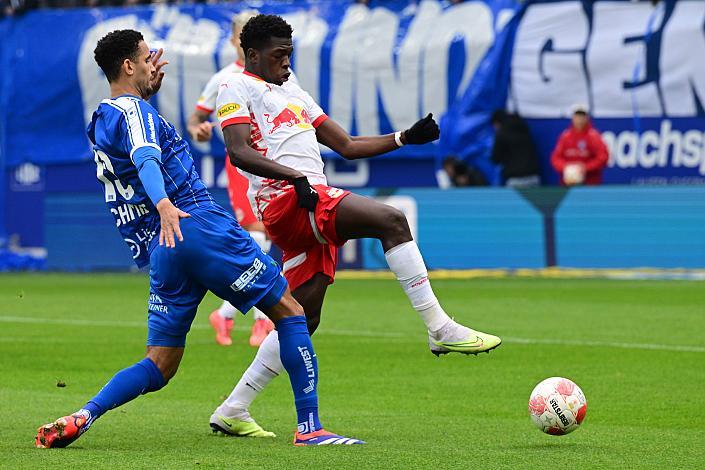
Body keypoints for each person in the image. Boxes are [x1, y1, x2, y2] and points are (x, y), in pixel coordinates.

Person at [35, 29, 363, 448]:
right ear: (128, 66)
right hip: (194, 222)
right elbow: (146, 157)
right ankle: (310, 429)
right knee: (291, 311)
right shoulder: (132, 113)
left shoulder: (102, 118)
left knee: (161, 364)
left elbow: (134, 152)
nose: (154, 64)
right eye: (144, 58)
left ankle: (84, 414)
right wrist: (165, 203)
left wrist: (148, 94)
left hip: (165, 246)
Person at [208, 14, 502, 436]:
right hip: (286, 201)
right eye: (278, 55)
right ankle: (440, 328)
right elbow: (237, 152)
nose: (286, 63)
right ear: (251, 54)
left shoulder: (293, 90)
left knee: (300, 320)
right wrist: (294, 177)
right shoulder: (234, 86)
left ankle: (234, 408)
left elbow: (345, 145)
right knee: (392, 220)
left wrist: (403, 137)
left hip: (308, 199)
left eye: (290, 54)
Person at [186, 10, 273, 348]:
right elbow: (196, 120)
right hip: (242, 164)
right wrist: (200, 131)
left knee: (266, 237)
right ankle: (262, 319)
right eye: (242, 35)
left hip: (275, 162)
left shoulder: (279, 76)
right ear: (234, 40)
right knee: (258, 234)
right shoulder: (222, 79)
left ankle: (226, 314)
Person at [550, 105, 609, 186]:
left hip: (590, 184)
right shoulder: (565, 136)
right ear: (573, 118)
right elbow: (556, 158)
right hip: (568, 185)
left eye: (582, 117)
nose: (579, 120)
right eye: (577, 116)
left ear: (587, 118)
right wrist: (566, 168)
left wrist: (585, 167)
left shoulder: (594, 136)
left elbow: (603, 158)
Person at [490, 110, 541, 187]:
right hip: (533, 176)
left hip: (515, 178)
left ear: (497, 123)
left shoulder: (501, 134)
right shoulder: (523, 128)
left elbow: (495, 158)